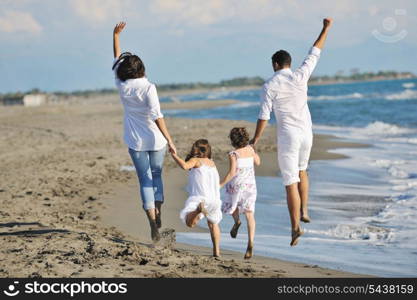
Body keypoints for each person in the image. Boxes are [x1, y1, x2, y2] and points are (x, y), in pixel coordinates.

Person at [250, 18, 333, 246]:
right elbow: (315, 51)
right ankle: (305, 209)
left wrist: (255, 139)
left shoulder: (269, 85)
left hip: (289, 137)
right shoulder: (300, 75)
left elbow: (264, 116)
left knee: (290, 183)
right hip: (307, 133)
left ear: (275, 64)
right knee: (303, 171)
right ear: (289, 63)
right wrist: (325, 28)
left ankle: (295, 227)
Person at [112, 22, 177, 242]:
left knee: (144, 179)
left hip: (135, 140)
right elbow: (158, 116)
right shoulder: (149, 87)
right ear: (142, 69)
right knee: (156, 176)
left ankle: (151, 220)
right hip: (156, 139)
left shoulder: (122, 86)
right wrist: (170, 140)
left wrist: (116, 36)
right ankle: (158, 209)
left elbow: (116, 60)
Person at [171, 139, 222, 257]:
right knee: (213, 224)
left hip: (200, 198)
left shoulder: (196, 160)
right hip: (214, 199)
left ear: (196, 149)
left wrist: (174, 155)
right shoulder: (212, 163)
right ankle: (216, 252)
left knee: (189, 222)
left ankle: (198, 211)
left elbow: (184, 166)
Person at [220, 128, 260, 259]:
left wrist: (221, 183)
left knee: (233, 206)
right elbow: (258, 162)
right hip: (250, 187)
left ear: (233, 140)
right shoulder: (250, 150)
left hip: (236, 186)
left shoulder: (233, 154)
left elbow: (232, 173)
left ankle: (237, 221)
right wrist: (254, 150)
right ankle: (251, 243)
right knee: (250, 215)